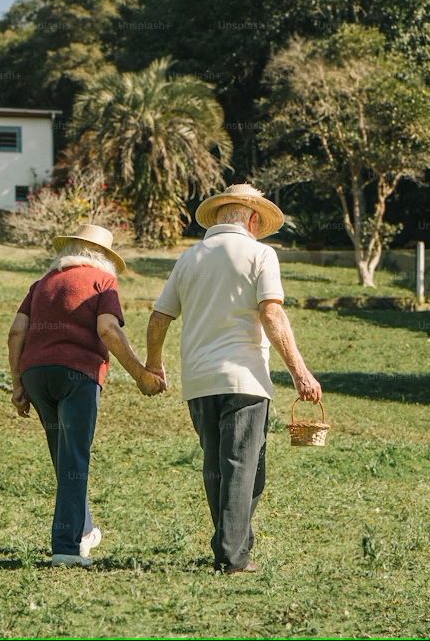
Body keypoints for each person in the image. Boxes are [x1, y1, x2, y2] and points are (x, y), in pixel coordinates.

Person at [145, 183, 322, 574]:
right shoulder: (261, 253)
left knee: (217, 466)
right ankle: (232, 555)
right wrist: (300, 373)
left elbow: (159, 318)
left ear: (222, 215)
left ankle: (230, 544)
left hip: (198, 380)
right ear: (253, 219)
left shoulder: (188, 257)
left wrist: (154, 365)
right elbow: (272, 315)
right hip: (244, 379)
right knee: (244, 467)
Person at [8, 224, 165, 567]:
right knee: (75, 459)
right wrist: (140, 373)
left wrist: (18, 384)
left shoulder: (42, 284)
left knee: (65, 458)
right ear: (104, 258)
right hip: (77, 374)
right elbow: (108, 329)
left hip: (36, 375)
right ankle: (65, 548)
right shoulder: (102, 281)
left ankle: (84, 529)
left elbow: (16, 332)